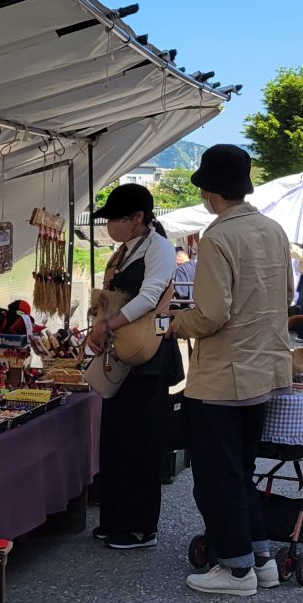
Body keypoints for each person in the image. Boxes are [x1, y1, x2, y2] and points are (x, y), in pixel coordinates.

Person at [168, 144, 294, 597]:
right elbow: (287, 295)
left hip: (223, 374)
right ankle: (260, 560)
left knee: (217, 475)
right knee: (242, 471)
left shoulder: (218, 237)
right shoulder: (274, 230)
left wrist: (176, 322)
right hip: (264, 369)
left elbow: (212, 313)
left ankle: (235, 569)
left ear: (209, 191)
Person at [87, 183, 183, 551]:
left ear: (138, 218)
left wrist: (107, 325)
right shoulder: (125, 250)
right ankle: (114, 518)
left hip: (148, 357)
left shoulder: (157, 247)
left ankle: (141, 525)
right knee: (115, 438)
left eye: (116, 219)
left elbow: (149, 295)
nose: (111, 226)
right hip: (121, 354)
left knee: (140, 441)